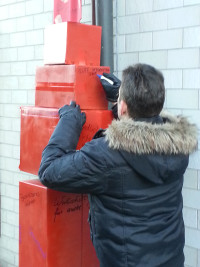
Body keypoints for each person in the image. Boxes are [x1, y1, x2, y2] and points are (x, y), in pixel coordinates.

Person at [38, 63, 198, 267]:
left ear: (123, 107)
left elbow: (49, 170)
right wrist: (126, 96)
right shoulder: (178, 145)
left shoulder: (105, 155)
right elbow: (148, 123)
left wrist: (69, 122)